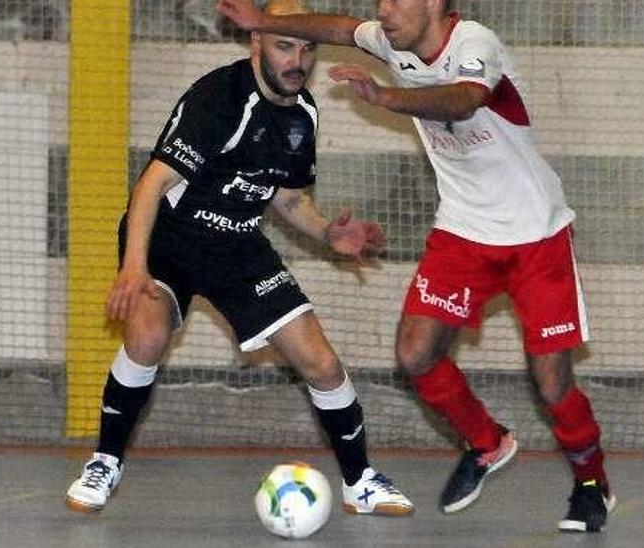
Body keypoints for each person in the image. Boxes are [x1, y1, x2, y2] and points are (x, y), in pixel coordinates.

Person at [217, 0, 616, 533]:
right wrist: (260, 22)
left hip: (534, 236)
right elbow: (336, 27)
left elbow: (465, 100)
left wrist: (384, 97)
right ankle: (487, 443)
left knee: (552, 383)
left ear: (433, 5)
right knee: (416, 353)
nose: (383, 11)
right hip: (462, 235)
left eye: (396, 1)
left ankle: (591, 484)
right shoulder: (391, 39)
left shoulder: (475, 44)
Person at [65, 0, 413, 519]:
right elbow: (152, 185)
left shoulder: (303, 117)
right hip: (171, 240)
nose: (297, 59)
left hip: (239, 247)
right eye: (283, 45)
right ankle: (104, 461)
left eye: (306, 46)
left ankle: (359, 481)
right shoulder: (218, 97)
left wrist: (326, 234)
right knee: (148, 334)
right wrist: (134, 268)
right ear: (256, 43)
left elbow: (287, 197)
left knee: (320, 361)